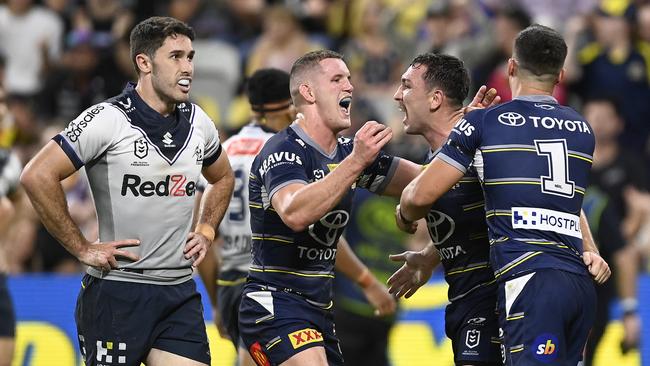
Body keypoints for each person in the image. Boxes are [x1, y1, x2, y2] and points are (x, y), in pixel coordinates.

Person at [20, 16, 234, 366]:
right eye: (176, 57)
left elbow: (222, 178)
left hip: (178, 292)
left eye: (191, 57)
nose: (188, 68)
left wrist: (207, 228)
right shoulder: (108, 119)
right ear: (144, 63)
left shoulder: (201, 123)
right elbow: (36, 175)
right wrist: (81, 247)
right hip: (118, 291)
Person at [394, 25, 610, 365]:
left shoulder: (487, 123)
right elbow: (563, 202)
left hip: (529, 277)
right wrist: (591, 248)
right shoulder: (581, 129)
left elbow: (417, 198)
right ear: (561, 75)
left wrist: (405, 216)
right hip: (579, 285)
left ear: (510, 67)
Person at [197, 67, 395, 366]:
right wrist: (366, 280)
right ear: (288, 107)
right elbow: (313, 225)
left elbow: (205, 238)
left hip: (232, 285)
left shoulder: (225, 152)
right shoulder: (285, 153)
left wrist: (216, 301)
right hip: (278, 286)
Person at [238, 50, 424, 366]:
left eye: (350, 79)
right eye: (337, 79)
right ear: (308, 93)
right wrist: (355, 162)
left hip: (321, 309)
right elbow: (295, 213)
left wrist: (462, 137)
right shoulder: (283, 150)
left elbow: (425, 183)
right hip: (274, 303)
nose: (349, 86)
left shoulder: (351, 153)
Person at [387, 53, 502, 366]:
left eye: (407, 86)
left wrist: (588, 248)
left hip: (497, 303)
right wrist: (429, 255)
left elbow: (536, 196)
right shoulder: (441, 157)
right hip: (465, 300)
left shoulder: (484, 145)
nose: (397, 96)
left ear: (435, 99)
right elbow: (478, 215)